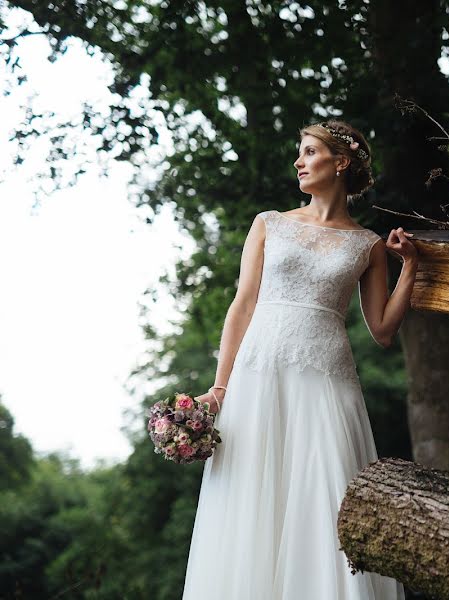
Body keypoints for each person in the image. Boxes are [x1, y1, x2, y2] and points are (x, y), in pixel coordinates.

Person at [182, 120, 413, 600]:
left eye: (309, 152)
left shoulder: (367, 244)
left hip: (328, 379)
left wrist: (410, 265)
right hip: (259, 374)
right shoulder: (269, 223)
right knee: (250, 503)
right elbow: (243, 304)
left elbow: (383, 330)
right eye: (299, 153)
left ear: (340, 162)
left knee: (326, 501)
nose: (299, 161)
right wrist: (220, 387)